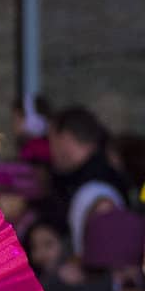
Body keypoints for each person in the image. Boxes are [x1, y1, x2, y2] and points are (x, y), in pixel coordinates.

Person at [48, 106, 131, 261]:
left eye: (51, 141)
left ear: (65, 138)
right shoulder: (105, 174)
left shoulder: (95, 189)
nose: (50, 150)